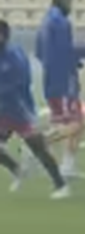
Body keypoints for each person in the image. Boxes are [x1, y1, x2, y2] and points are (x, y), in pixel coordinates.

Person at [0, 20, 69, 197]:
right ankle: (17, 169)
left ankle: (61, 185)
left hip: (19, 110)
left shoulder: (14, 56)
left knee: (38, 148)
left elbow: (20, 83)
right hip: (2, 110)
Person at [35, 0, 85, 181]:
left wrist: (71, 61)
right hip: (63, 82)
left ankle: (68, 165)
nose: (71, 4)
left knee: (78, 122)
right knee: (75, 124)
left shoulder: (46, 21)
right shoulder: (60, 22)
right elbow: (65, 50)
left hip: (53, 78)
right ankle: (37, 145)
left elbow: (40, 51)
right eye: (69, 0)